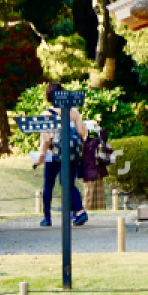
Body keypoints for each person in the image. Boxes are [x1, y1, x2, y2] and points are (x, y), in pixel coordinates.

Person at [33, 81, 89, 227]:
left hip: (54, 154)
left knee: (49, 184)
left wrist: (41, 154)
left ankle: (47, 218)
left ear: (49, 97)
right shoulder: (73, 111)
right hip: (72, 153)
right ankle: (80, 211)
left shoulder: (47, 114)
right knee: (68, 183)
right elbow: (83, 132)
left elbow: (46, 139)